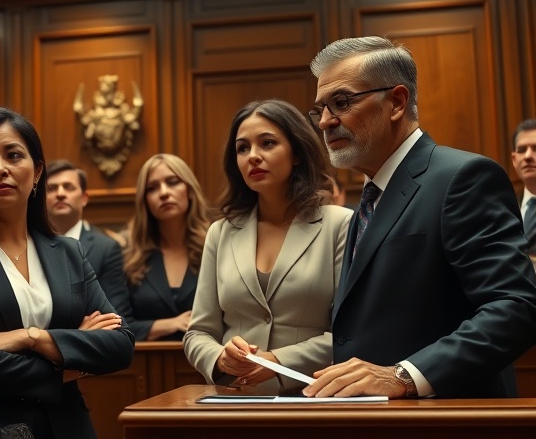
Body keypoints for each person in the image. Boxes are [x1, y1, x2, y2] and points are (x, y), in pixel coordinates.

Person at [304, 35, 536, 399]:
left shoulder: (462, 177)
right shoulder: (367, 200)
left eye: (342, 102)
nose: (326, 123)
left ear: (396, 101)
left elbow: (516, 307)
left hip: (451, 421)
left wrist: (405, 375)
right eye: (320, 109)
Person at [0, 107, 135, 439]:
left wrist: (31, 337)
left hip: (71, 426)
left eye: (13, 155)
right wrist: (69, 361)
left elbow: (120, 344)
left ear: (38, 171)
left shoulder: (69, 251)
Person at [183, 100, 352, 395]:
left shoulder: (340, 225)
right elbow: (199, 333)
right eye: (243, 148)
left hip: (314, 397)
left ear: (297, 152)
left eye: (268, 143)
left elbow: (349, 333)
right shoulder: (221, 233)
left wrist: (277, 361)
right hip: (235, 401)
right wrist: (220, 358)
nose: (253, 157)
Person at [123, 153, 211, 341]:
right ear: (144, 200)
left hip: (204, 364)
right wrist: (169, 324)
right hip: (147, 365)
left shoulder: (216, 247)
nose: (163, 192)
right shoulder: (130, 256)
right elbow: (118, 325)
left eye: (172, 182)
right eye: (152, 188)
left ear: (189, 190)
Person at [45, 158, 133, 320]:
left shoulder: (106, 248)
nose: (60, 193)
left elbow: (117, 316)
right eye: (51, 188)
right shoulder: (28, 244)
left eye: (68, 187)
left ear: (84, 198)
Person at [511, 119, 536, 261]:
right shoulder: (504, 205)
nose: (527, 156)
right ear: (514, 159)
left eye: (535, 148)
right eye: (521, 150)